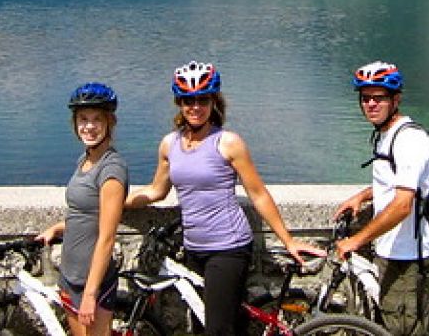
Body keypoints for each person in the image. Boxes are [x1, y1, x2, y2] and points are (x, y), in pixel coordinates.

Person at [126, 61, 323, 336]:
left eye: (202, 100)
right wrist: (118, 202)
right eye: (188, 100)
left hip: (228, 247)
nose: (195, 107)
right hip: (193, 248)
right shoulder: (169, 144)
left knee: (217, 330)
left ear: (213, 101)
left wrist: (288, 240)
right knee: (201, 323)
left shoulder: (228, 143)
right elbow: (157, 190)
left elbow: (258, 194)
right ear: (179, 103)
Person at [332, 61, 429, 336]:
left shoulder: (409, 140)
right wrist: (364, 195)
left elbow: (403, 205)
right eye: (365, 98)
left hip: (407, 256)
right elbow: (399, 182)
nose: (370, 104)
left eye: (379, 98)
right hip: (393, 251)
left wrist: (357, 241)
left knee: (401, 330)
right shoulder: (386, 135)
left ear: (396, 99)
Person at [35, 83, 128, 336]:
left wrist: (90, 293)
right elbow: (85, 215)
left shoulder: (111, 170)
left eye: (97, 119)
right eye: (83, 119)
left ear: (110, 122)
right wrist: (57, 228)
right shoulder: (85, 160)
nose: (89, 126)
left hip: (92, 282)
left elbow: (107, 237)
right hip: (70, 275)